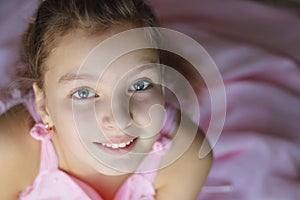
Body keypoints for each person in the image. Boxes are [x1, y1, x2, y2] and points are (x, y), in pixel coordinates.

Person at [0, 0, 212, 199]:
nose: (120, 120)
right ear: (44, 106)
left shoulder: (188, 159)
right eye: (83, 93)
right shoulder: (10, 152)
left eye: (140, 86)